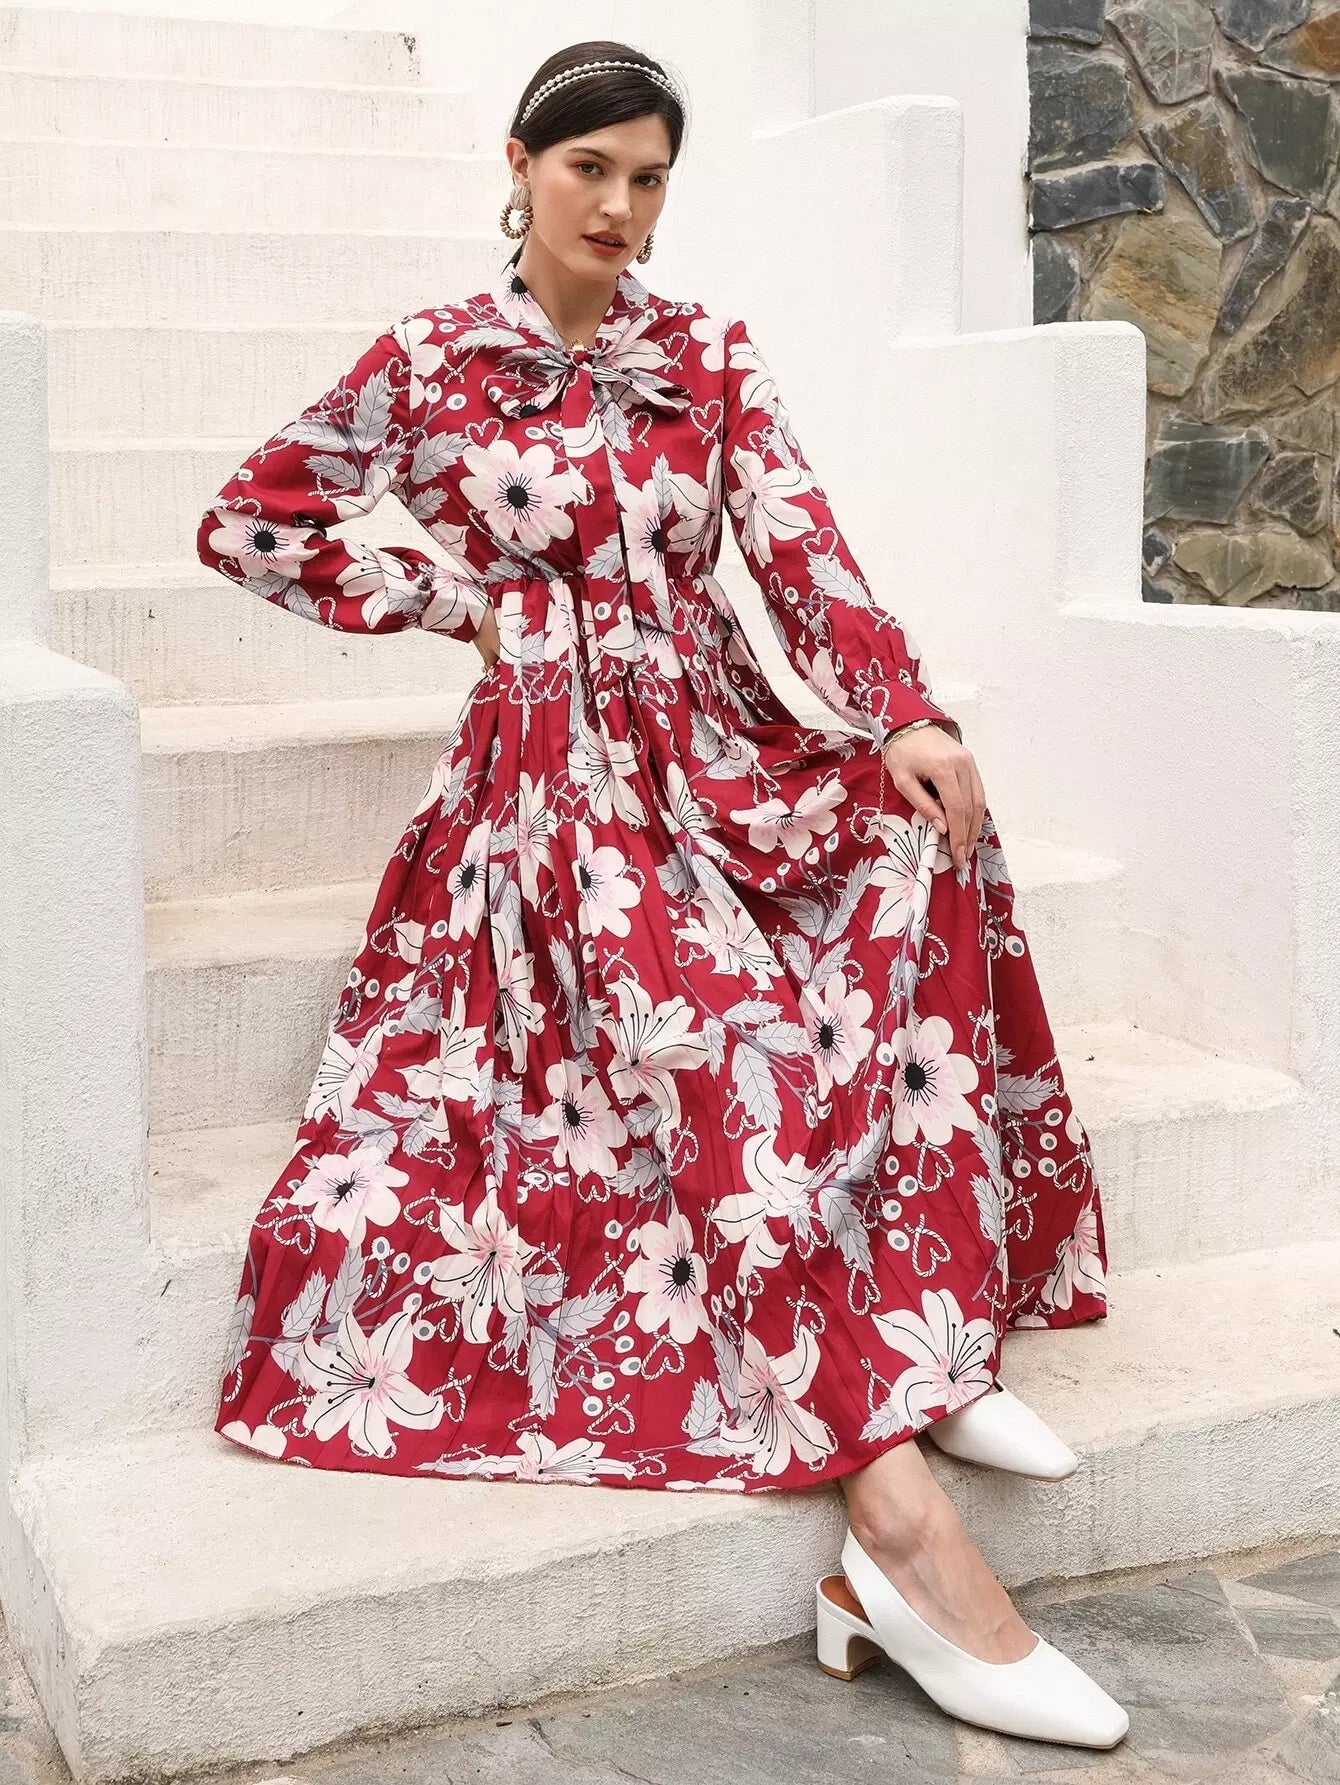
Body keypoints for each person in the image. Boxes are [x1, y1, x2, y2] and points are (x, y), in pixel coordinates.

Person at [194, 38, 1127, 1750]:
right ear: (520, 163)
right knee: (704, 1030)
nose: (620, 207)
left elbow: (801, 549)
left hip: (718, 738)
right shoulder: (431, 362)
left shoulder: (705, 353)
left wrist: (903, 711)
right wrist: (460, 604)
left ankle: (928, 1333)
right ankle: (900, 1508)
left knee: (927, 821)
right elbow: (254, 522)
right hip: (546, 772)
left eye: (648, 180)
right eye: (590, 171)